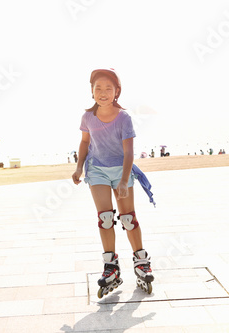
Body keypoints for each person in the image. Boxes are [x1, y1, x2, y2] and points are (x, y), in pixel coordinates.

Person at [72, 68, 154, 297]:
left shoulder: (124, 118)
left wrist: (125, 180)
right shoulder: (87, 117)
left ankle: (141, 261)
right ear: (91, 91)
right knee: (105, 218)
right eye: (98, 88)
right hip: (96, 169)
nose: (103, 92)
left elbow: (129, 152)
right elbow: (84, 142)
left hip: (121, 170)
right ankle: (111, 267)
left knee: (128, 218)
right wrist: (79, 167)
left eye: (108, 88)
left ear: (117, 91)